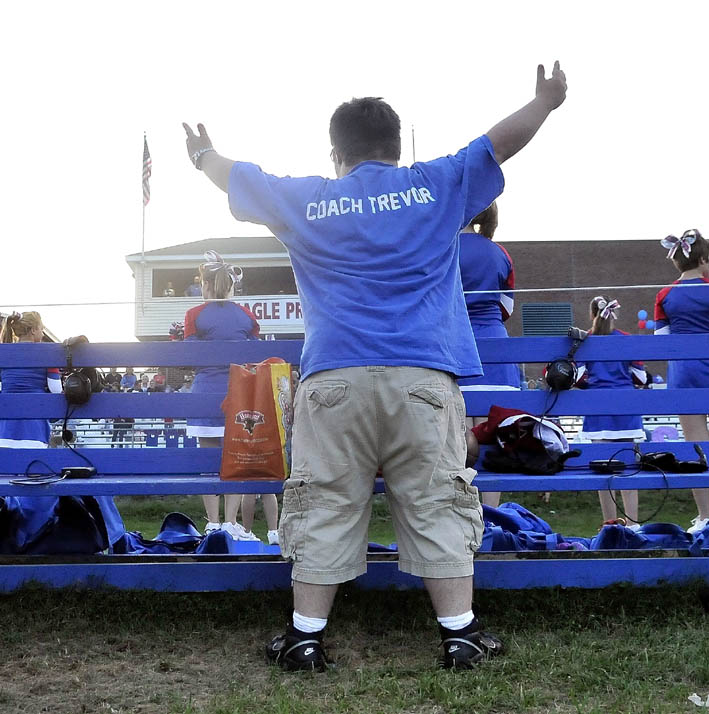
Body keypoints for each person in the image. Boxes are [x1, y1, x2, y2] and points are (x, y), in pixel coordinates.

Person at [182, 60, 567, 672]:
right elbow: (499, 143)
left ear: (337, 154)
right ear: (395, 147)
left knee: (325, 502)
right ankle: (460, 635)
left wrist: (203, 155)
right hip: (423, 379)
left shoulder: (309, 199)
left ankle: (305, 637)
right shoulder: (435, 185)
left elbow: (240, 175)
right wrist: (544, 101)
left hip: (334, 380)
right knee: (438, 501)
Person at [183, 250, 280, 545]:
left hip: (204, 392)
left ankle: (212, 523)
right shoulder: (246, 315)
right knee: (235, 459)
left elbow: (189, 356)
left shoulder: (195, 314)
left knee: (207, 462)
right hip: (238, 394)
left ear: (207, 285)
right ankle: (231, 522)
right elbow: (255, 357)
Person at [654, 229, 709, 535]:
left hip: (685, 375)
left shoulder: (664, 295)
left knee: (696, 447)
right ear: (704, 258)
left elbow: (660, 341)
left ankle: (705, 516)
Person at [457, 201, 518, 508]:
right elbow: (507, 307)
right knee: (493, 435)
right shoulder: (499, 252)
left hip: (456, 345)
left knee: (459, 438)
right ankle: (493, 517)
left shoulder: (442, 249)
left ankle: (462, 513)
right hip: (496, 346)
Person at [575, 297, 647, 528]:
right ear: (613, 314)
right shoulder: (626, 339)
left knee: (603, 472)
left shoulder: (585, 340)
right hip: (626, 410)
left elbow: (579, 377)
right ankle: (633, 524)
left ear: (591, 314)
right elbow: (641, 377)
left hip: (598, 412)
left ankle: (610, 523)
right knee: (628, 471)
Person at [0, 312, 62, 448]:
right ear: (33, 330)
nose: (43, 334)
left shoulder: (3, 352)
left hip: (4, 428)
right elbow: (56, 389)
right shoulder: (47, 353)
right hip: (34, 429)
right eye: (41, 329)